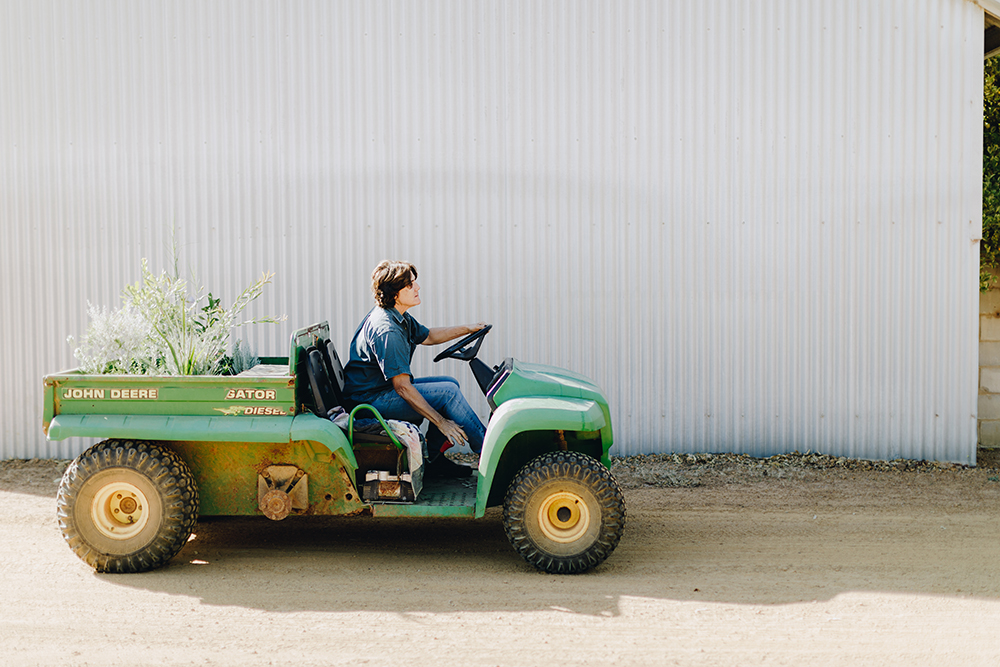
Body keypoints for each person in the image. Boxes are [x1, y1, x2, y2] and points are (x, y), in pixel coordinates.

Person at [342, 260, 487, 478]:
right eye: (410, 285)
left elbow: (428, 335)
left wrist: (467, 329)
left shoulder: (399, 317)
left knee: (450, 383)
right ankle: (488, 453)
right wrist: (442, 423)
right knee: (447, 393)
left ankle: (435, 461)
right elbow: (402, 387)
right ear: (394, 293)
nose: (417, 288)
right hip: (369, 401)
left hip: (381, 391)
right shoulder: (387, 330)